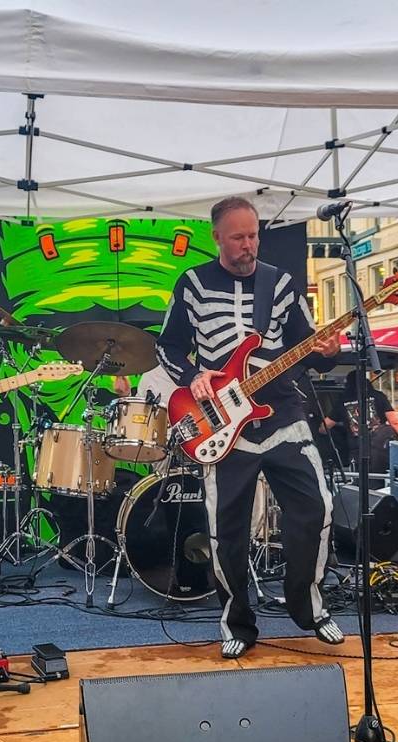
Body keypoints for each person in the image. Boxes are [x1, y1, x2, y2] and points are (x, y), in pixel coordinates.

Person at [156, 196, 343, 658]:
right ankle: (237, 621)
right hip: (220, 422)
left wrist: (329, 350)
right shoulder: (193, 284)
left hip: (280, 413)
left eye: (254, 234)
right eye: (238, 236)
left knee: (317, 508)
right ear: (216, 237)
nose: (248, 245)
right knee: (226, 530)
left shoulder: (279, 284)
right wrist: (192, 376)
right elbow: (168, 347)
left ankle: (309, 606)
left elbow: (308, 345)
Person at [322, 370, 398, 473]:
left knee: (360, 482)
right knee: (381, 480)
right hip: (380, 448)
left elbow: (325, 427)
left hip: (357, 450)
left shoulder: (343, 400)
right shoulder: (378, 396)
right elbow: (395, 422)